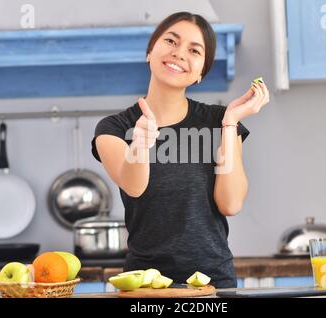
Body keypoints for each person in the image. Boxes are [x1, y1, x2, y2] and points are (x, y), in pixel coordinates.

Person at [91, 12, 269, 288]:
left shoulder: (218, 122)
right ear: (150, 52)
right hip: (143, 285)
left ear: (200, 73)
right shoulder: (114, 127)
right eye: (171, 41)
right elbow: (133, 186)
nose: (179, 53)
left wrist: (230, 124)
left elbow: (230, 203)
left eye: (194, 50)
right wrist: (139, 144)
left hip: (213, 283)